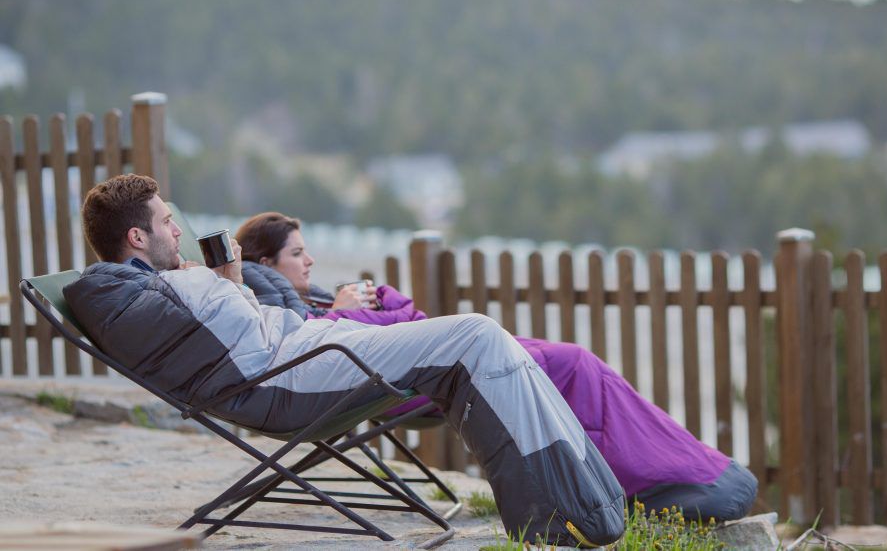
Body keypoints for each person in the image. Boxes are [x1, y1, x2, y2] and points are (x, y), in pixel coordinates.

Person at [63, 174, 625, 547]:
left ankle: (582, 503)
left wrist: (222, 280)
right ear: (136, 236)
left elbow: (226, 323)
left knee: (478, 340)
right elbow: (226, 330)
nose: (179, 231)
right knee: (476, 337)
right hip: (286, 376)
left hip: (299, 350)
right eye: (166, 223)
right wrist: (209, 281)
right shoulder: (114, 291)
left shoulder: (153, 286)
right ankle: (560, 520)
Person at [236, 211, 758, 521]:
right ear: (266, 265)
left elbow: (407, 317)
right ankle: (650, 482)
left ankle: (668, 472)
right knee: (572, 367)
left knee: (574, 363)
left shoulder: (315, 302)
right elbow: (354, 347)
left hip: (424, 366)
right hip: (416, 378)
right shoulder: (294, 316)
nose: (309, 262)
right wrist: (351, 308)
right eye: (297, 254)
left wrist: (360, 304)